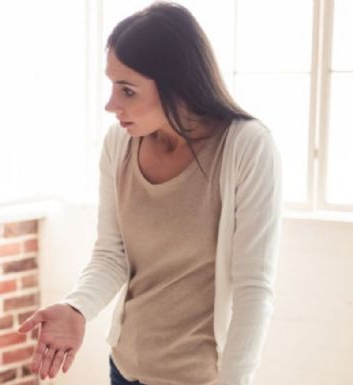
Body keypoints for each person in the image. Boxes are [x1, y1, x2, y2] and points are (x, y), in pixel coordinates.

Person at [19, 3, 282, 385]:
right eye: (111, 85)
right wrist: (77, 308)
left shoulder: (246, 147)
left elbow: (253, 287)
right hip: (126, 369)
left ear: (178, 85)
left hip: (200, 378)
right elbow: (112, 254)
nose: (111, 105)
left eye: (127, 90)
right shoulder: (119, 144)